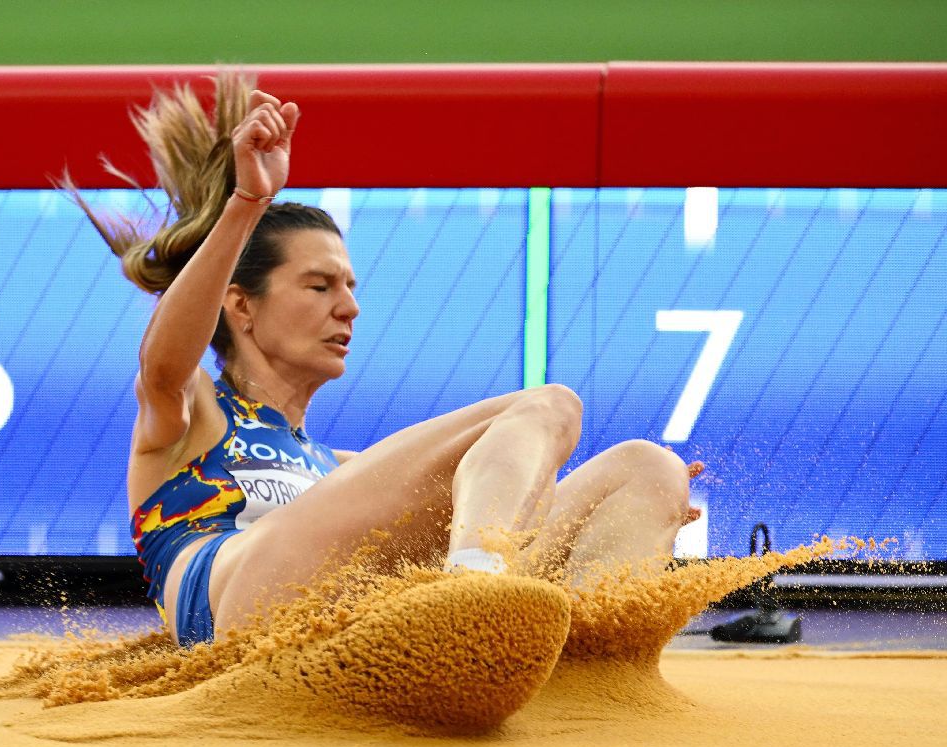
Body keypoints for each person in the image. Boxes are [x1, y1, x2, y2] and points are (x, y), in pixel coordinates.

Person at [73, 73, 702, 647]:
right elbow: (163, 365)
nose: (349, 309)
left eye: (350, 288)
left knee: (649, 469)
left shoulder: (336, 468)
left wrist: (613, 522)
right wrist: (245, 204)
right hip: (244, 612)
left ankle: (581, 659)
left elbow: (505, 490)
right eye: (320, 287)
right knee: (550, 405)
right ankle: (477, 590)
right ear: (241, 306)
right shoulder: (191, 417)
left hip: (345, 622)